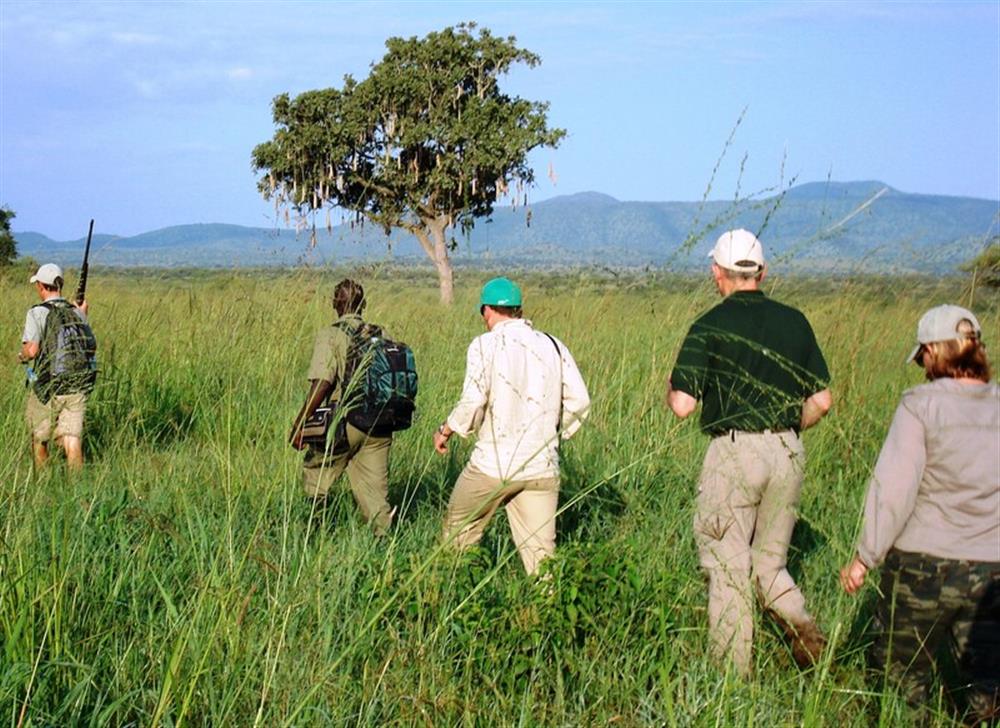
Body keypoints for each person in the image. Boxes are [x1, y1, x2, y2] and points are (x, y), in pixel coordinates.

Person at [665, 229, 833, 675]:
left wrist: (671, 384)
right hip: (788, 448)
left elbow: (682, 406)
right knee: (770, 565)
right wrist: (788, 428)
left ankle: (732, 681)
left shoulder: (709, 324)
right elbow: (822, 401)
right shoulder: (795, 321)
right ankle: (810, 642)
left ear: (716, 273)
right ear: (762, 272)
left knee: (727, 568)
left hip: (734, 451)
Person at [840, 305, 998, 722]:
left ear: (933, 351)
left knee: (902, 682)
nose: (922, 365)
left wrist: (864, 557)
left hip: (921, 568)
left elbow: (893, 490)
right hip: (992, 572)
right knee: (988, 687)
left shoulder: (919, 405)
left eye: (923, 355)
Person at [434, 277, 590, 575]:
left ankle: (452, 593)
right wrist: (555, 435)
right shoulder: (554, 345)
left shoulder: (484, 345)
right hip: (542, 466)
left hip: (492, 466)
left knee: (457, 534)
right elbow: (580, 400)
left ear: (487, 312)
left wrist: (446, 430)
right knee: (542, 561)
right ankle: (548, 615)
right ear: (518, 311)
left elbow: (473, 400)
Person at [289, 279, 394, 535]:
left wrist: (301, 422)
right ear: (363, 304)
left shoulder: (331, 335)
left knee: (316, 476)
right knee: (375, 494)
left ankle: (313, 535)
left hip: (345, 422)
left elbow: (322, 383)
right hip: (379, 422)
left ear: (335, 303)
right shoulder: (381, 335)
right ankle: (384, 546)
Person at [18, 263, 96, 471]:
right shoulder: (77, 313)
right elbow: (91, 347)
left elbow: (32, 351)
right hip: (76, 383)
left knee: (39, 437)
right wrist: (83, 316)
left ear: (42, 286)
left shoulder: (36, 313)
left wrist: (22, 355)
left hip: (47, 386)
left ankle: (43, 484)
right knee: (72, 439)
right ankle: (78, 489)